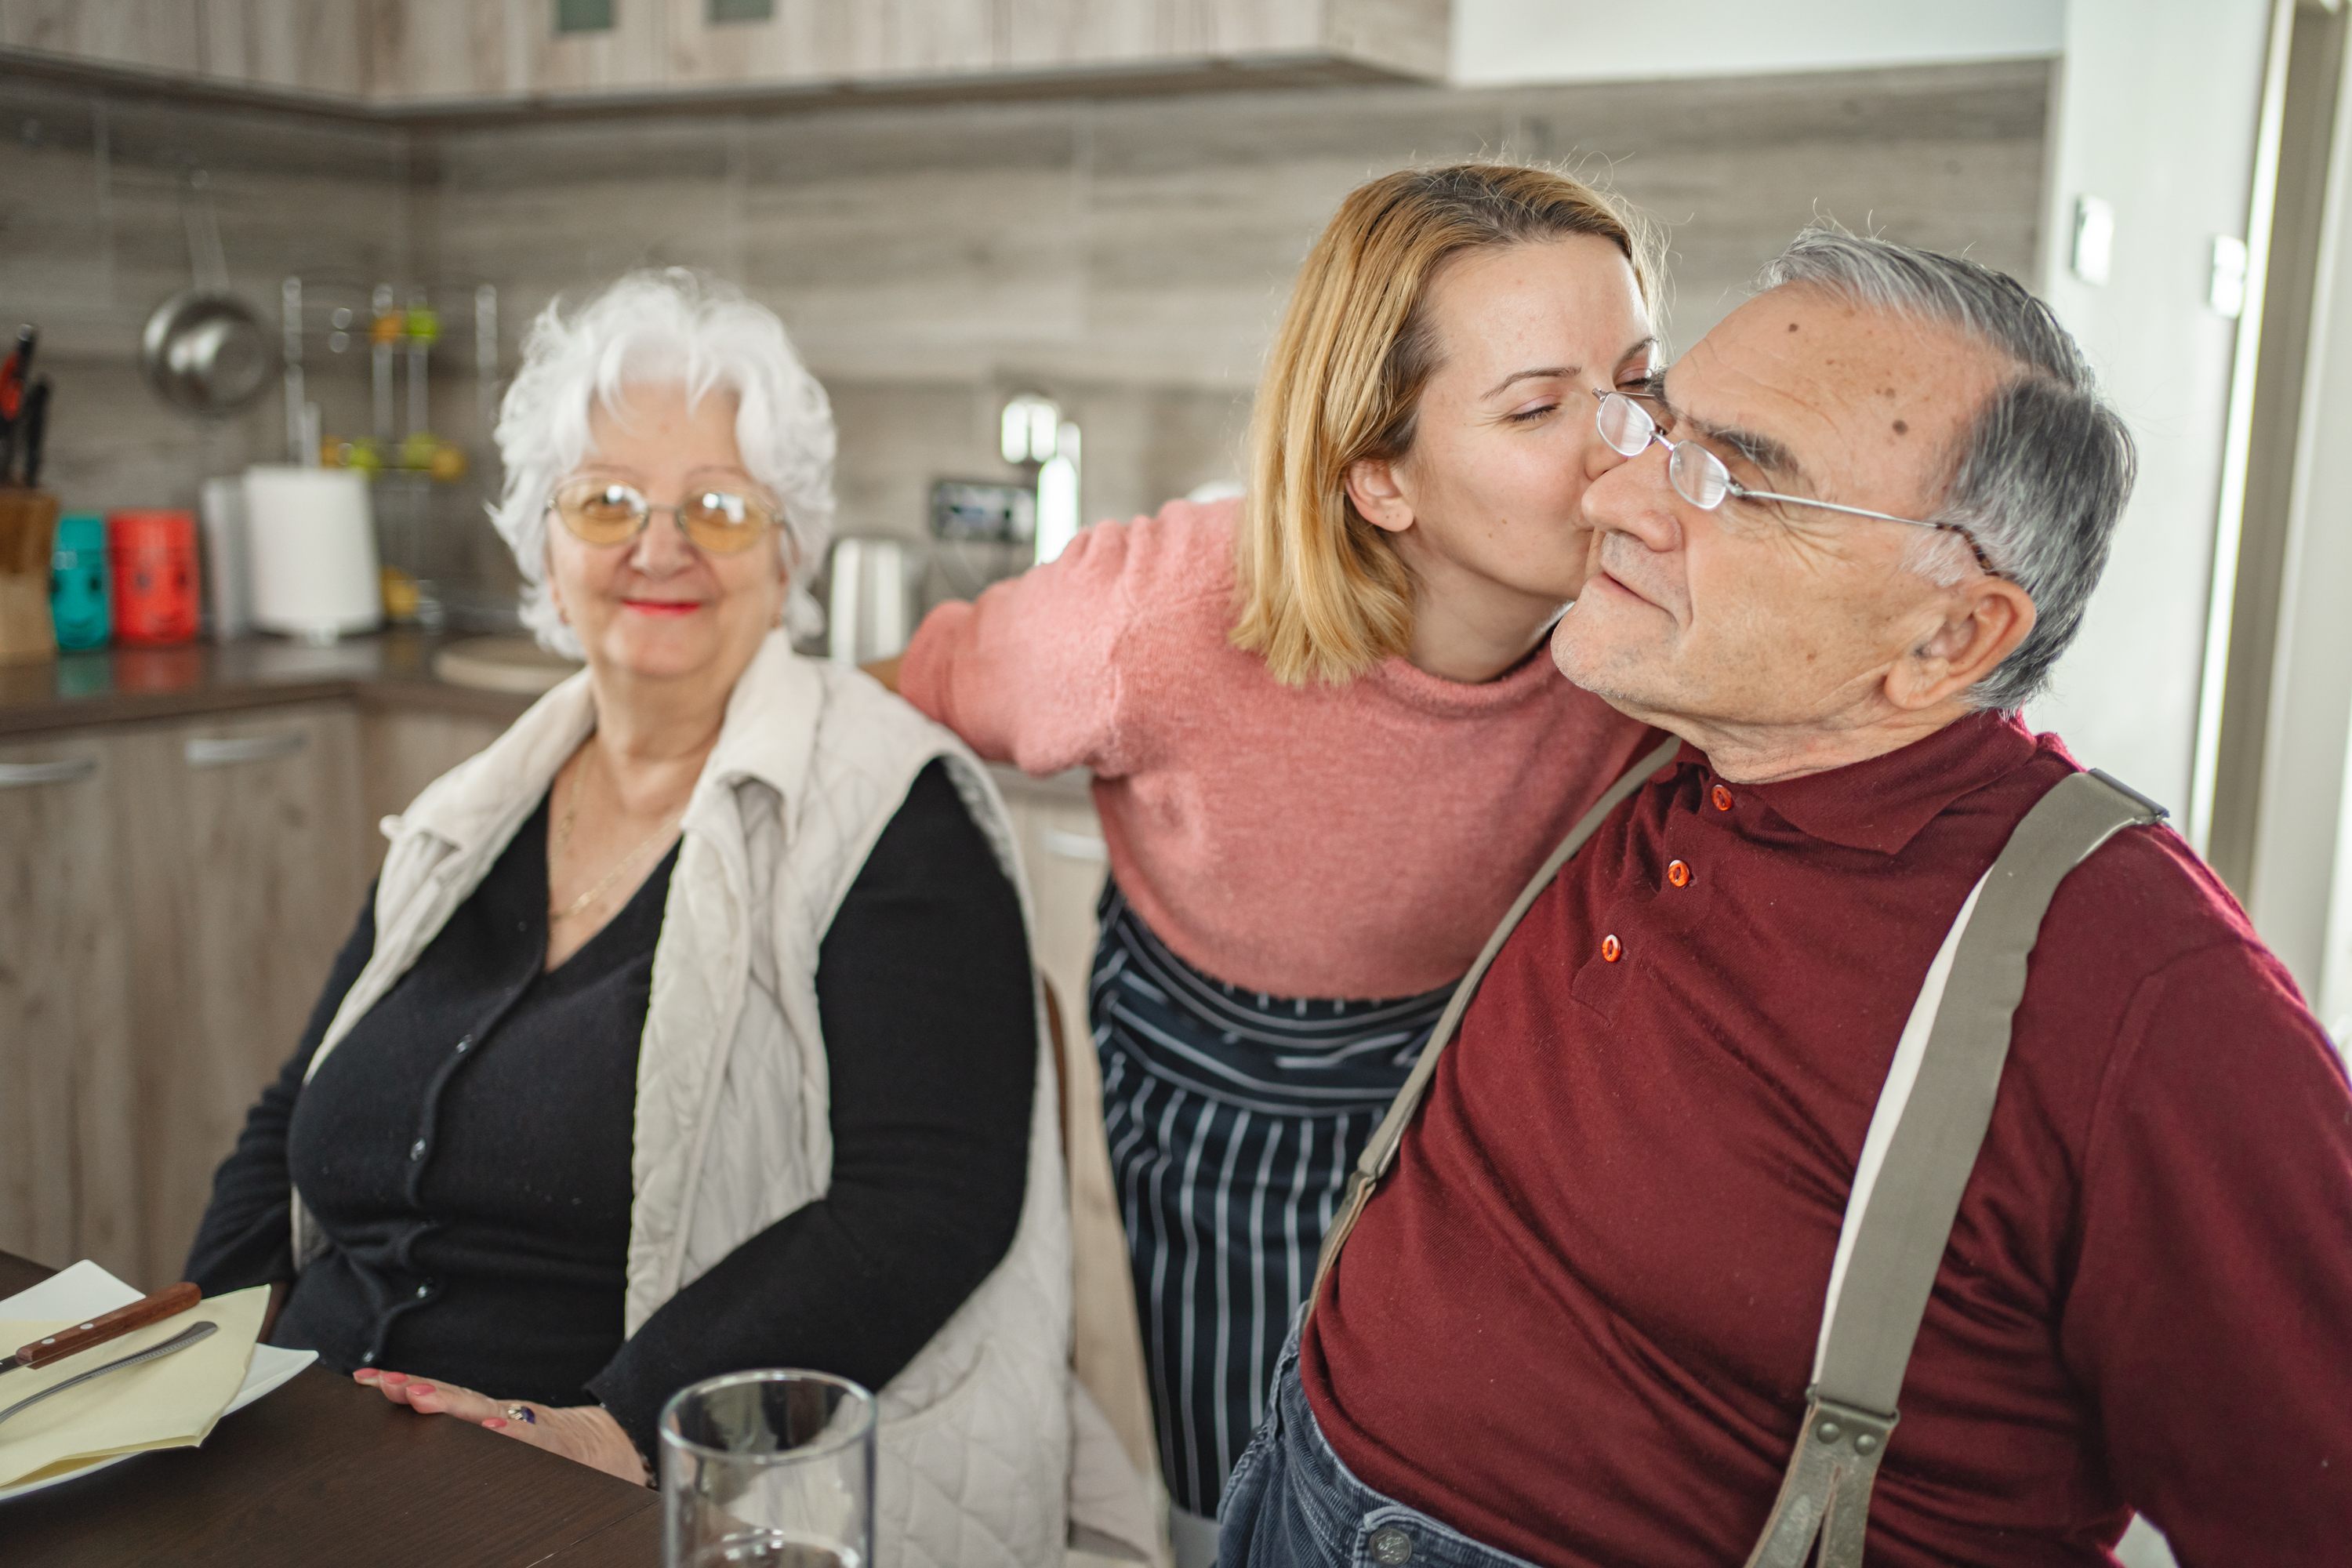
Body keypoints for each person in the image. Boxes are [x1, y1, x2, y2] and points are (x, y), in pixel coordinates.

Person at [1219, 230, 2352, 1566]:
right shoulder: (1659, 728)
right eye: (1657, 430)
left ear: (1949, 638)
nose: (1616, 502)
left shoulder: (2146, 999)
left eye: (1734, 483)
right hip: (1287, 1487)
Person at [185, 271, 1106, 1567]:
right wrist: (192, 1365)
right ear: (544, 545)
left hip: (602, 1495)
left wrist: (620, 1432)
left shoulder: (889, 807)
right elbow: (297, 1107)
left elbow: (925, 1206)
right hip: (307, 1455)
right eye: (606, 501)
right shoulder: (476, 806)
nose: (656, 546)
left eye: (719, 509)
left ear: (789, 553)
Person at [880, 162, 1666, 1558]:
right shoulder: (1160, 616)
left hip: (1479, 1055)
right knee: (1243, 1483)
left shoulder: (1653, 641)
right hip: (1223, 1077)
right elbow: (895, 711)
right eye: (1540, 407)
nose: (1627, 448)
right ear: (1379, 476)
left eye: (1641, 381)